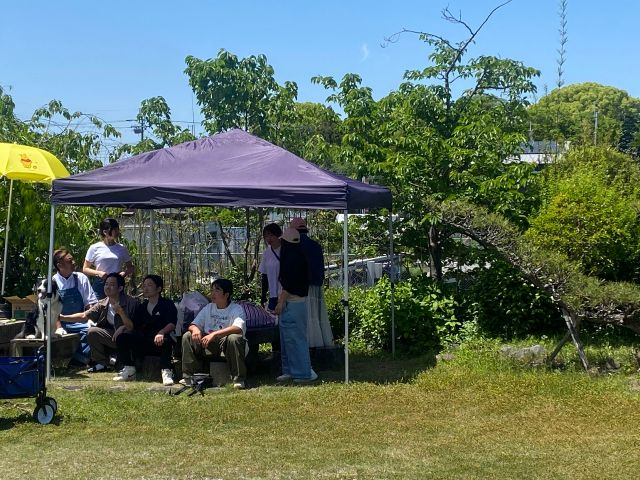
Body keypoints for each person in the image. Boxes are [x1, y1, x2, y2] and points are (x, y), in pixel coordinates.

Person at [60, 272, 139, 374]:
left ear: (120, 288)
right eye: (106, 284)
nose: (107, 287)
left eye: (112, 285)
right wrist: (62, 317)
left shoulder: (131, 302)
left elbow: (132, 327)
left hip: (128, 338)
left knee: (124, 335)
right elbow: (84, 316)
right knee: (92, 331)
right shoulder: (102, 303)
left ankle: (126, 362)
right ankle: (102, 363)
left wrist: (121, 316)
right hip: (113, 336)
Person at [181, 278, 247, 389]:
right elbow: (193, 324)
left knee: (234, 338)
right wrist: (196, 330)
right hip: (208, 344)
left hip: (226, 344)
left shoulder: (236, 308)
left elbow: (237, 328)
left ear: (226, 294)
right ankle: (190, 377)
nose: (213, 293)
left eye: (217, 290)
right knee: (187, 336)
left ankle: (238, 379)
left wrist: (214, 334)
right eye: (212, 290)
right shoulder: (208, 308)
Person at [114, 275, 177, 385]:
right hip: (145, 341)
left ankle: (166, 371)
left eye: (149, 285)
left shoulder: (167, 304)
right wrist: (122, 326)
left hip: (161, 342)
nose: (146, 288)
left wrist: (162, 332)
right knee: (122, 338)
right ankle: (129, 370)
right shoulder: (142, 306)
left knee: (166, 341)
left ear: (158, 288)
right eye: (144, 286)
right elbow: (133, 325)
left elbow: (172, 324)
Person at [275, 227, 317, 383]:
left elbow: (289, 285)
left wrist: (280, 302)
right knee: (288, 340)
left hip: (292, 303)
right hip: (297, 304)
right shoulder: (301, 256)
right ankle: (290, 371)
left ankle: (302, 373)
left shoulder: (291, 260)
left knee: (295, 340)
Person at [290, 217, 334, 348]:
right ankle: (318, 342)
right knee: (316, 315)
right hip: (315, 284)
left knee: (304, 316)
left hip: (300, 287)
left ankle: (306, 343)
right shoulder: (316, 246)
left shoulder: (293, 246)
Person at [52, 248, 98, 366]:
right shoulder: (53, 282)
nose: (74, 262)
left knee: (93, 330)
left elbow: (90, 302)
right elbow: (52, 309)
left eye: (73, 260)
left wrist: (90, 319)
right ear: (59, 265)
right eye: (69, 261)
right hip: (59, 322)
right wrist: (58, 327)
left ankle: (78, 360)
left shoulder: (81, 278)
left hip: (80, 320)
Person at [83, 218, 134, 299]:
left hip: (117, 282)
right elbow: (85, 269)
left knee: (117, 304)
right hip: (100, 282)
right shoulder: (94, 247)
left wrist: (124, 273)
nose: (117, 232)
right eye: (114, 230)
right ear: (105, 232)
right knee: (98, 305)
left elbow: (131, 267)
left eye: (117, 229)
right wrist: (98, 273)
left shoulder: (122, 248)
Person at [258, 223, 282, 312]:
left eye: (271, 235)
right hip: (273, 294)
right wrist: (263, 296)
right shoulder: (267, 253)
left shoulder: (286, 250)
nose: (269, 238)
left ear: (278, 234)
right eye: (266, 236)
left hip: (286, 293)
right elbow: (264, 275)